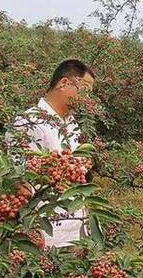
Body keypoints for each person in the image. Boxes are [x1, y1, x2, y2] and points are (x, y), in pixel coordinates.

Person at [8, 59, 95, 248]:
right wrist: (30, 228)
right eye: (85, 91)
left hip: (76, 231)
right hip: (46, 235)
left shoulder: (73, 125)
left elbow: (78, 178)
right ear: (64, 83)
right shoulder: (28, 122)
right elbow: (19, 180)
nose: (88, 100)